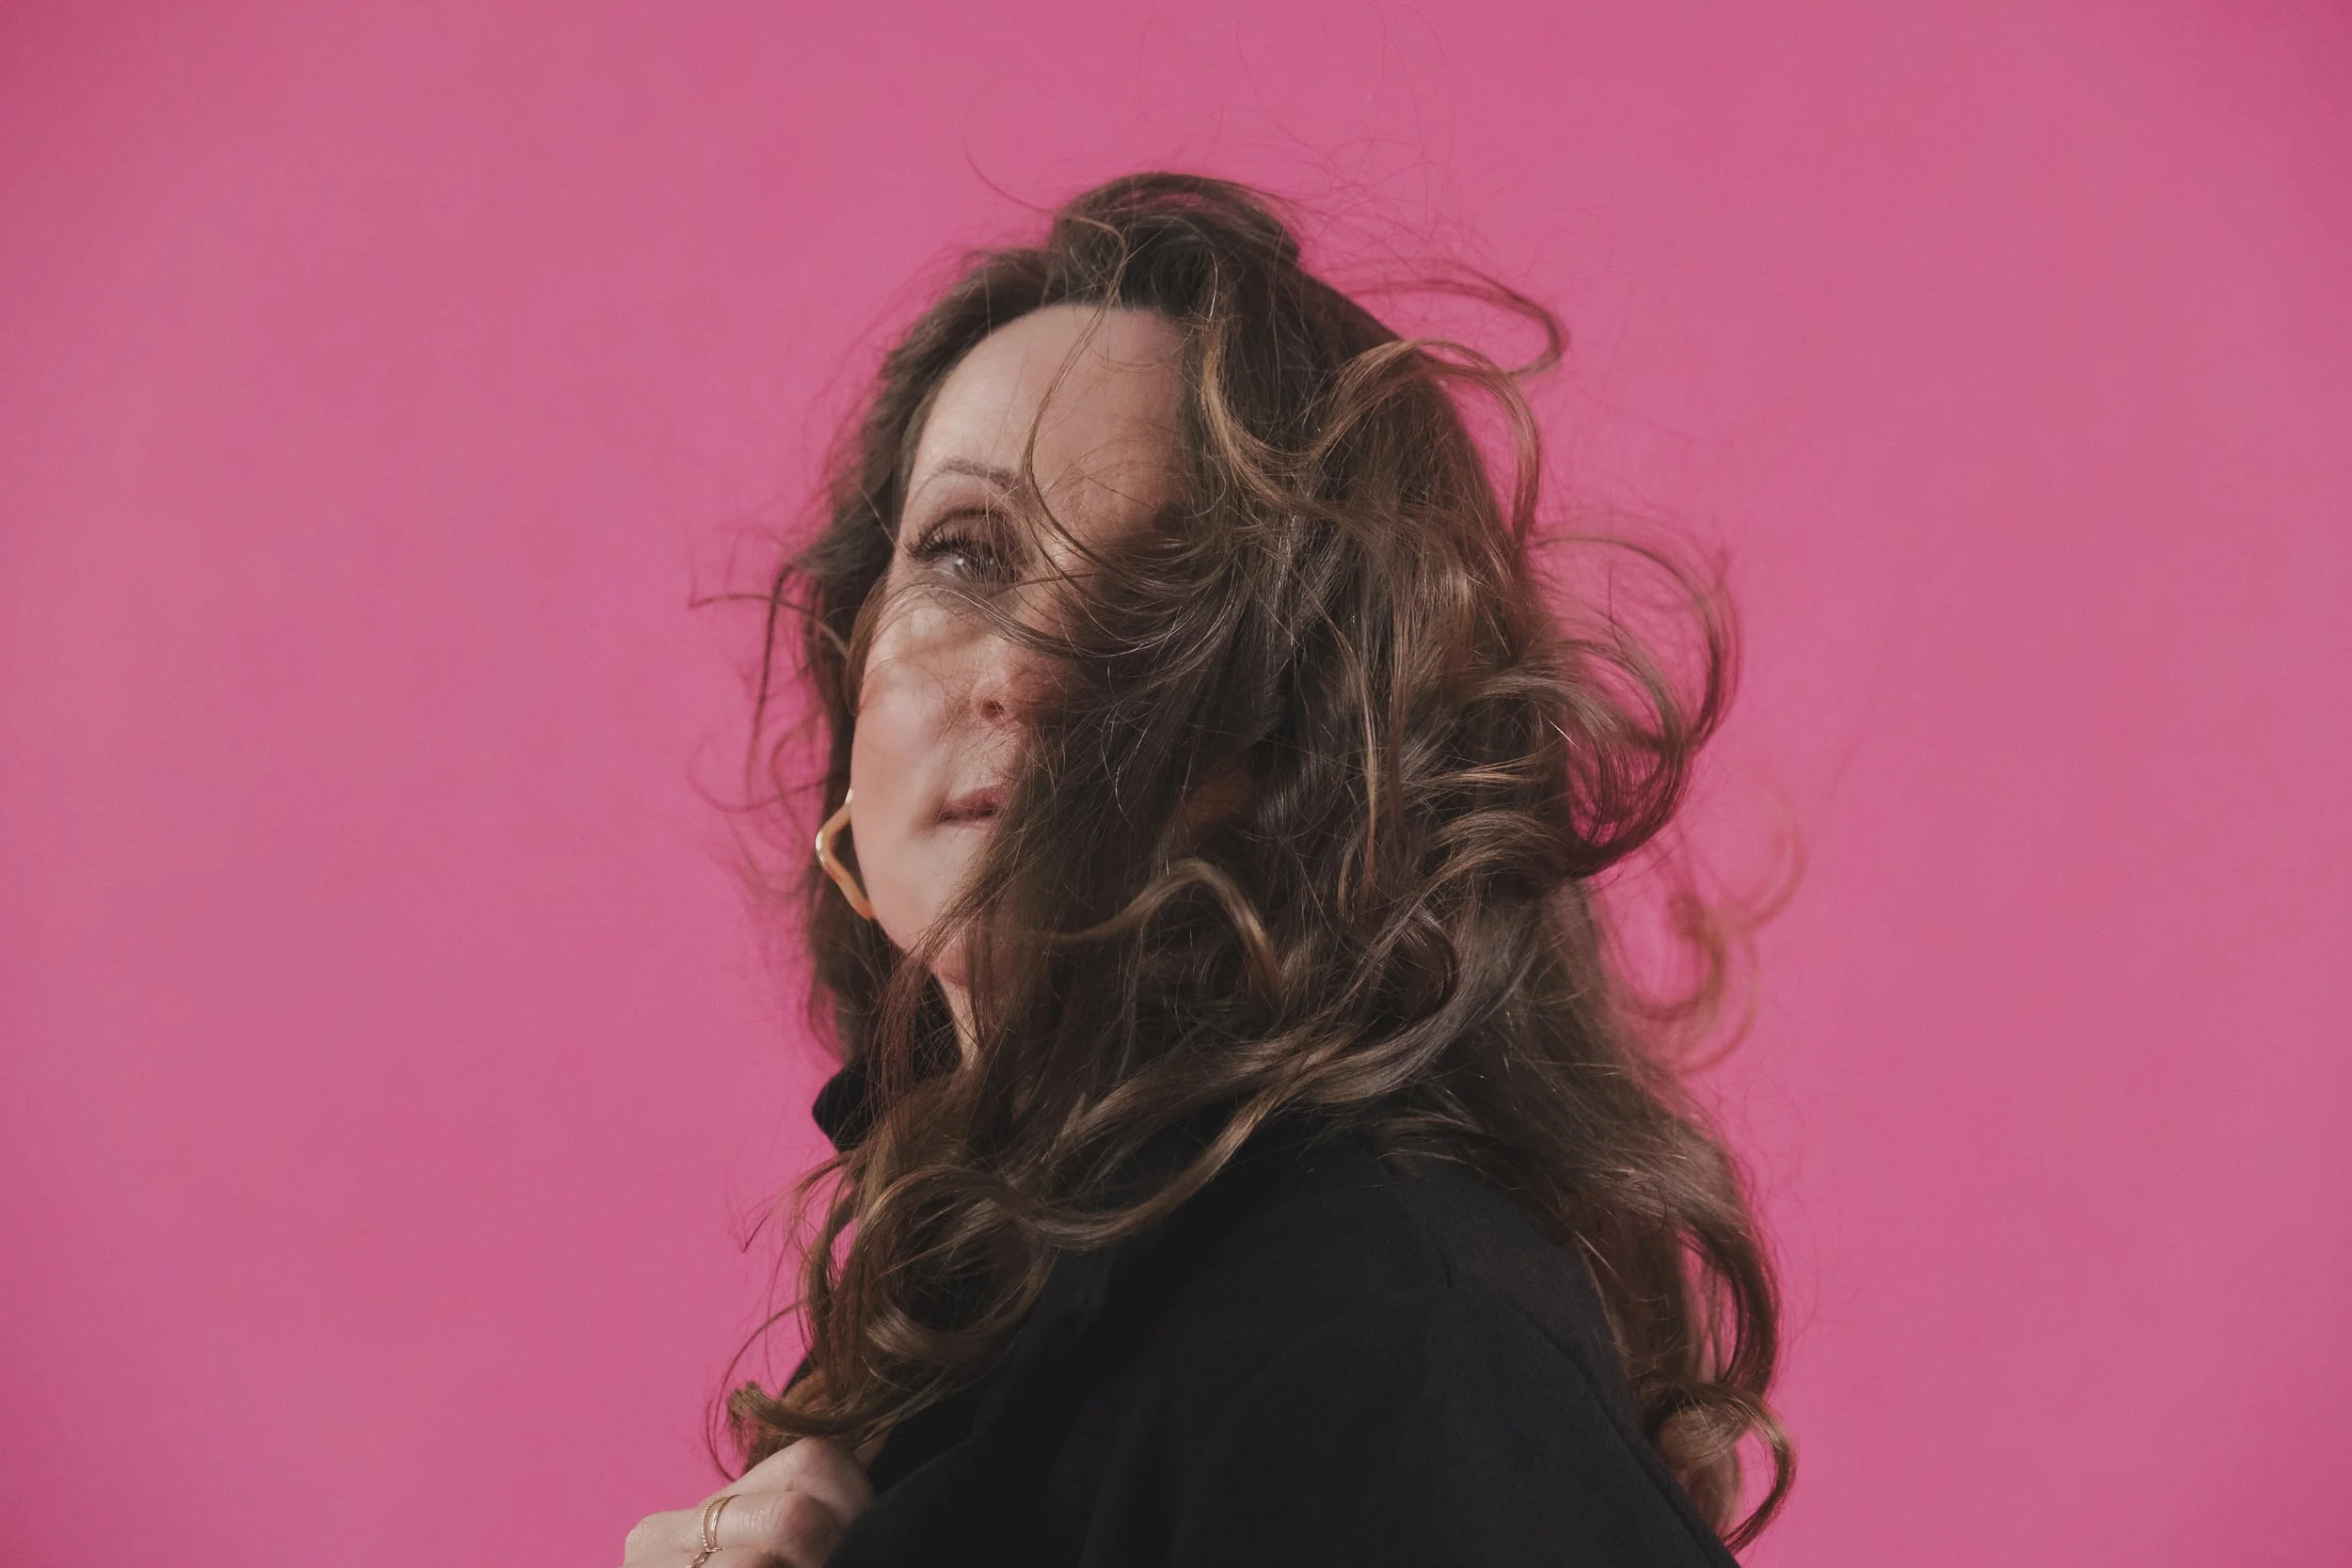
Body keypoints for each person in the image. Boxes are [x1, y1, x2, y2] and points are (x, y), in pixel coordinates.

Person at [624, 172, 1790, 1568]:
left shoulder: (1386, 1334)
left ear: (1339, 744)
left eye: (1164, 590)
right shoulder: (1001, 1319)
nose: (1021, 675)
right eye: (965, 554)